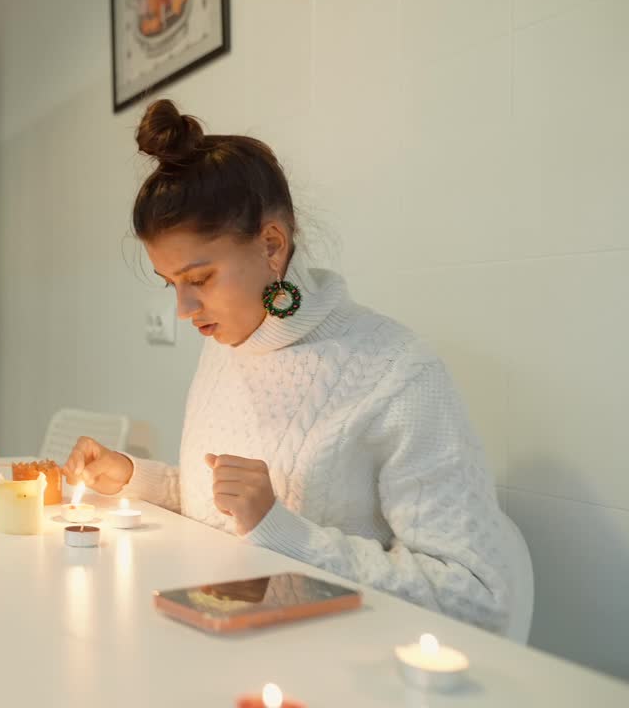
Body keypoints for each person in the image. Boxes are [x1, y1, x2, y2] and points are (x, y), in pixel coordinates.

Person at [64, 99, 514, 633]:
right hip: (230, 640)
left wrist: (284, 531)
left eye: (200, 279)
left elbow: (478, 596)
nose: (183, 311)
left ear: (271, 244)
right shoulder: (227, 347)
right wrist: (133, 478)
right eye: (172, 285)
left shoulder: (400, 374)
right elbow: (223, 512)